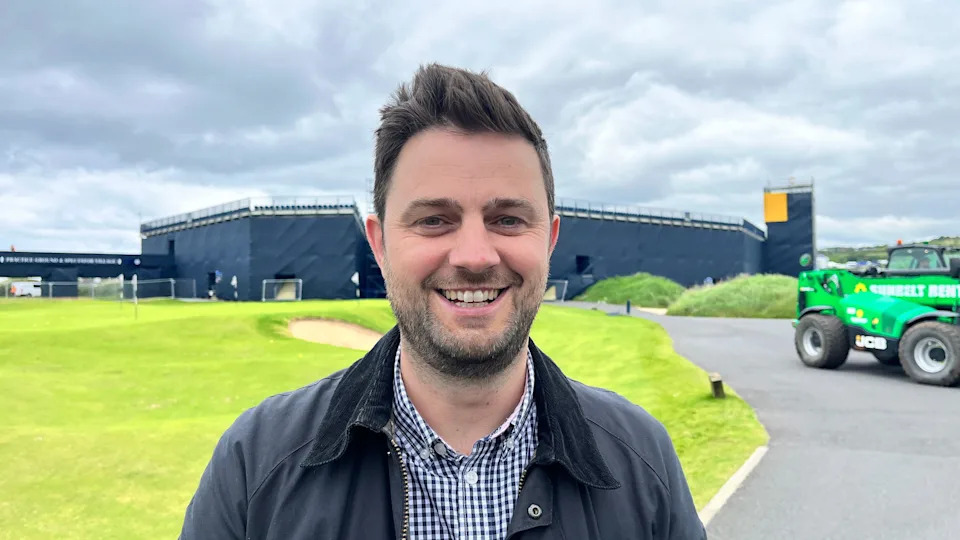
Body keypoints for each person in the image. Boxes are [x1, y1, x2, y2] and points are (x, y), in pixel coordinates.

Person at [179, 64, 705, 539]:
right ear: (380, 243)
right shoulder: (256, 466)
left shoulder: (643, 462)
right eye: (434, 220)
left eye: (507, 220)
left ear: (549, 241)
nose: (475, 256)